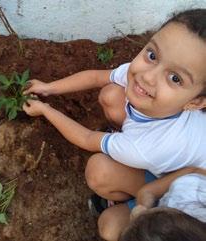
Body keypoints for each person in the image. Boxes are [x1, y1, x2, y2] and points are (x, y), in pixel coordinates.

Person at [23, 7, 206, 234]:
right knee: (112, 95)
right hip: (184, 173)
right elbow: (96, 77)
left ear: (195, 102)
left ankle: (122, 194)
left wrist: (44, 109)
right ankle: (123, 158)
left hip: (183, 214)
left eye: (175, 78)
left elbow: (87, 137)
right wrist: (48, 88)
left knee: (108, 225)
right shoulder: (145, 76)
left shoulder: (145, 147)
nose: (148, 77)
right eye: (152, 55)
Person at [99, 167, 206, 241]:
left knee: (109, 229)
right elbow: (194, 170)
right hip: (178, 186)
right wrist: (143, 206)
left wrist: (141, 215)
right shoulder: (189, 191)